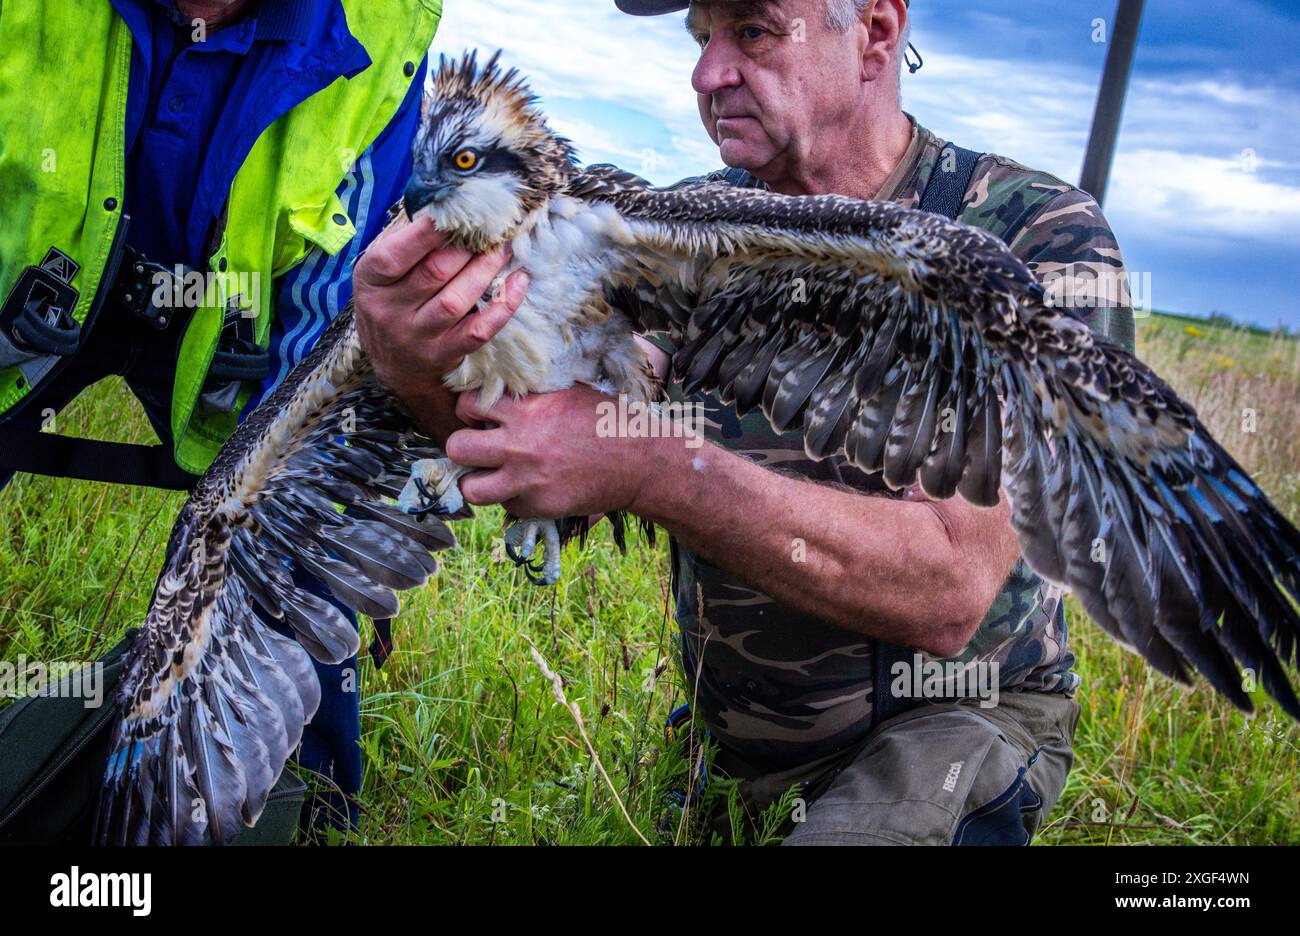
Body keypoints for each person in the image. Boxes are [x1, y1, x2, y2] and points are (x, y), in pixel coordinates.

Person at [354, 0, 1136, 845]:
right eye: (701, 38)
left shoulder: (1029, 233)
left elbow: (951, 589)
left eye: (754, 31)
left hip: (942, 729)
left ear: (874, 30)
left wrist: (653, 464)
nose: (708, 72)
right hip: (724, 752)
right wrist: (406, 359)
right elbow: (562, 446)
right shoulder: (681, 229)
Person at [0, 0, 442, 836]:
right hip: (31, 276)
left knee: (288, 544)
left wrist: (269, 488)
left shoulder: (386, 28)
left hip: (242, 322)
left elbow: (333, 292)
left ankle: (301, 811)